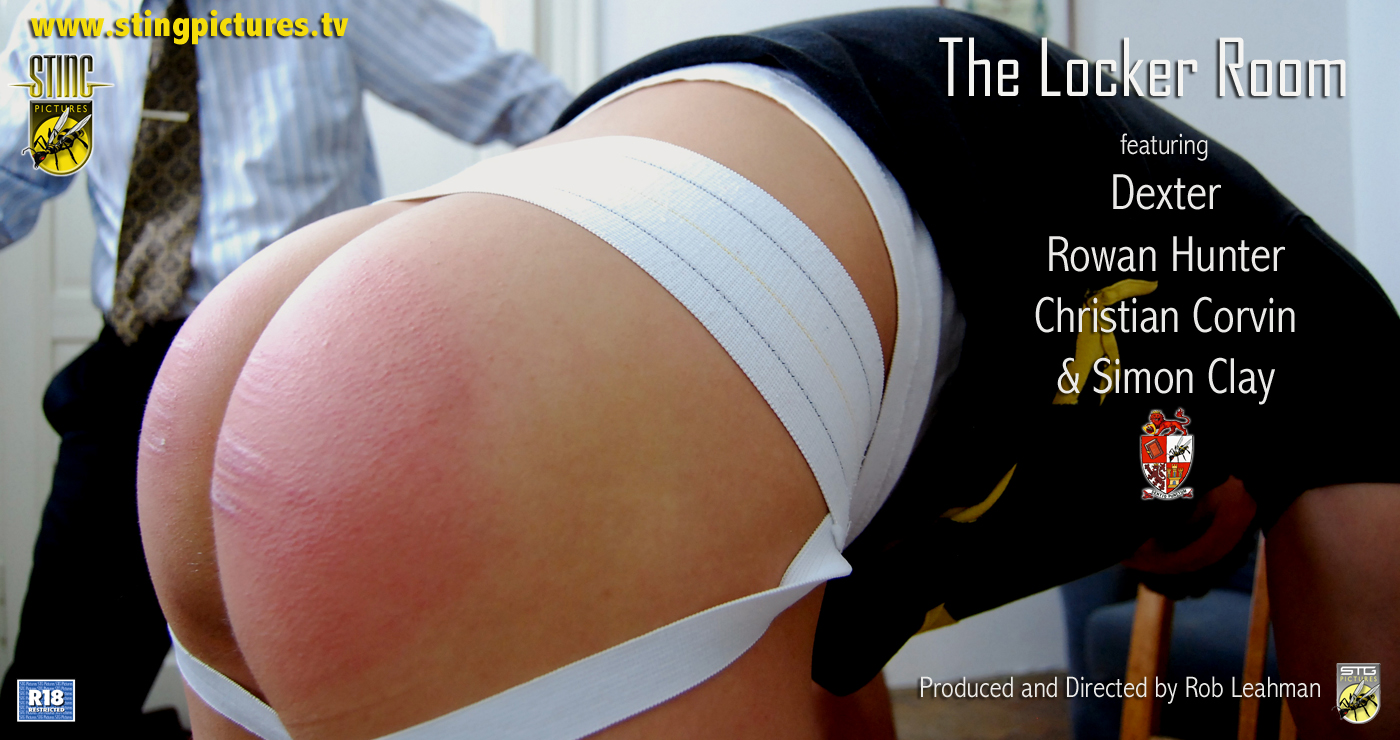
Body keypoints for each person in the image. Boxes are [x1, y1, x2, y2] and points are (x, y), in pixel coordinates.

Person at [138, 7, 1398, 740]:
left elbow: (818, 684)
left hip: (276, 324)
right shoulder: (1330, 333)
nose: (1161, 553)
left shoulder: (931, 436)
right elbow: (1363, 697)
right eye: (1185, 530)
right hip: (551, 353)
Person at [0, 0, 571, 733]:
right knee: (52, 696)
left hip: (310, 378)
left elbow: (520, 101)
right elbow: (25, 172)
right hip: (133, 384)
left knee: (337, 679)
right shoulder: (70, 19)